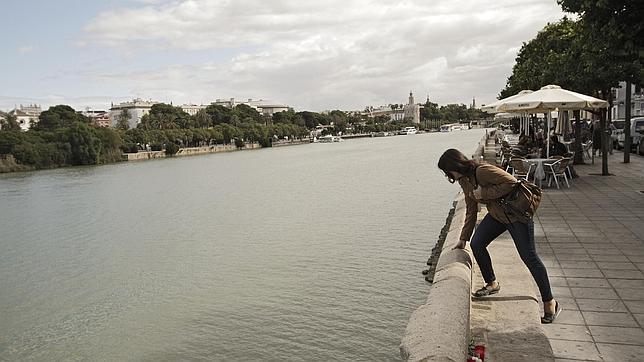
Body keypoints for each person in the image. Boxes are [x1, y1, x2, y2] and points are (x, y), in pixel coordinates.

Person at [438, 149, 561, 324]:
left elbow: (511, 182)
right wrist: (463, 238)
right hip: (497, 216)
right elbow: (471, 209)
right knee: (477, 243)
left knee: (529, 257)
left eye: (446, 170)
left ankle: (550, 302)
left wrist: (484, 194)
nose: (447, 175)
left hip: (516, 216)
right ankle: (492, 283)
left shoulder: (481, 171)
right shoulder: (465, 181)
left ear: (454, 166)